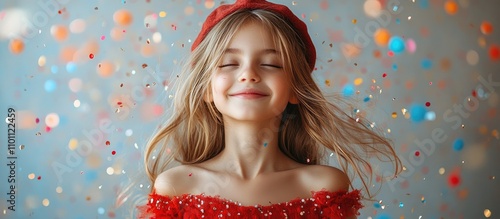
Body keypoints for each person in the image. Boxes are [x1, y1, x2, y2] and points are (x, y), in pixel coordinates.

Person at [137, 0, 401, 218]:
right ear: (206, 88)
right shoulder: (176, 187)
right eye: (229, 63)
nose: (248, 74)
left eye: (272, 64)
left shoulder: (324, 188)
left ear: (296, 88)